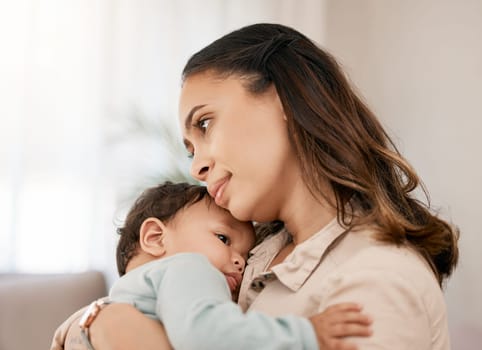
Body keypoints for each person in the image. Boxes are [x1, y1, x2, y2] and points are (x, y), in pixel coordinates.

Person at [55, 22, 460, 349]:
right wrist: (97, 322)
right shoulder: (250, 253)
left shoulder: (377, 279)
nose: (196, 166)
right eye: (190, 149)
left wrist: (104, 326)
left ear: (284, 100)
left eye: (206, 123)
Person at [51, 181, 372, 350]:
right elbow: (206, 335)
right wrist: (305, 335)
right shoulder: (188, 267)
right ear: (155, 237)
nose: (238, 260)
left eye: (246, 256)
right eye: (223, 238)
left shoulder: (120, 301)